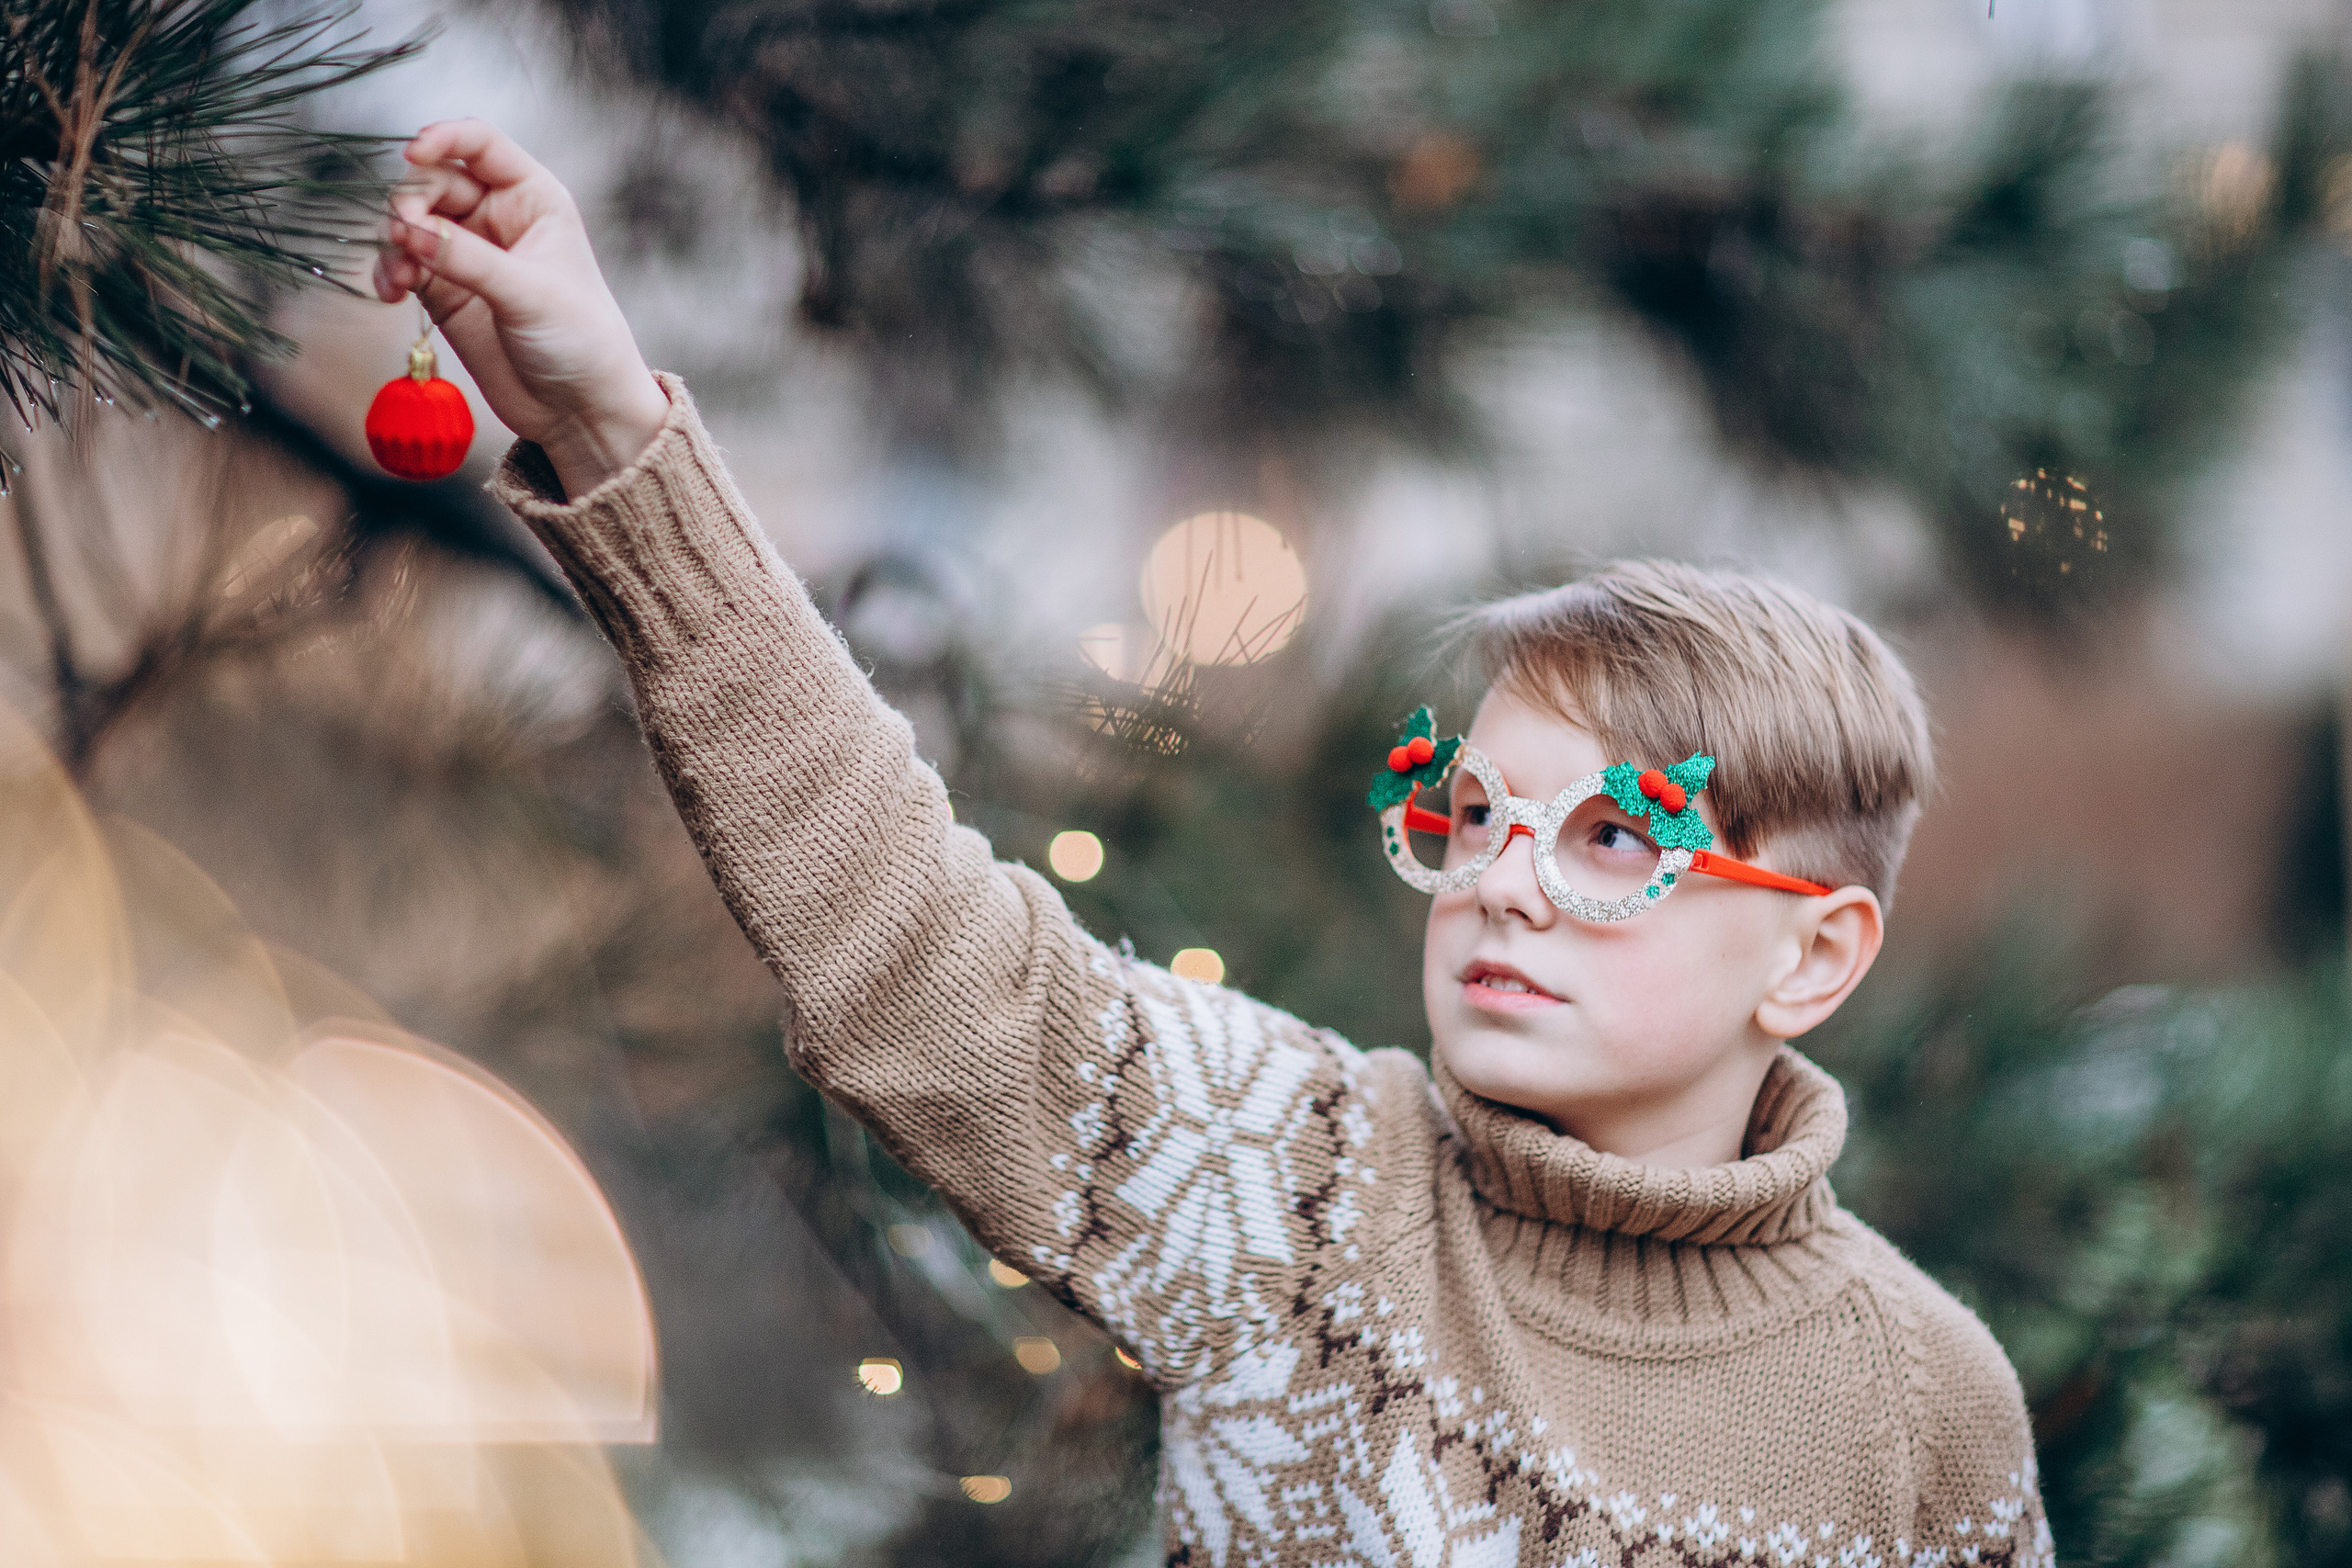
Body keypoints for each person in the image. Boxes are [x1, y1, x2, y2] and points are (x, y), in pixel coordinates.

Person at [379, 119, 2052, 1568]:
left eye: (1619, 838)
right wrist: (616, 433)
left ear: (1812, 955)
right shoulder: (1291, 1187)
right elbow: (917, 940)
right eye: (1472, 814)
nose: (1500, 882)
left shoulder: (1927, 1412)